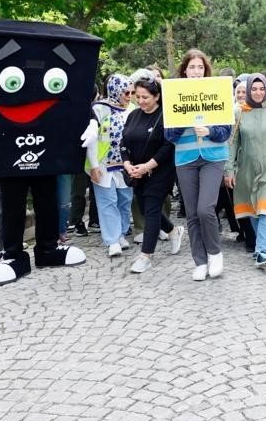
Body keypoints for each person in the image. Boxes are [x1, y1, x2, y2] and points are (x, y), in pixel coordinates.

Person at [166, 50, 231, 281]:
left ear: (206, 70)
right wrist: (183, 120)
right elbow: (169, 136)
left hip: (213, 157)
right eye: (192, 67)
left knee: (205, 209)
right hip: (185, 159)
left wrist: (210, 131)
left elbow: (226, 132)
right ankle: (200, 261)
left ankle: (214, 252)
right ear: (184, 70)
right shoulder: (174, 95)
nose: (196, 71)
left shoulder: (217, 92)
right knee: (192, 213)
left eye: (200, 67)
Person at [225, 74, 266, 268]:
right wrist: (229, 170)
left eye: (261, 88)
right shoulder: (239, 112)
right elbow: (232, 143)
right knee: (253, 210)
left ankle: (262, 251)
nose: (258, 92)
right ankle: (262, 247)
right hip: (247, 169)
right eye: (253, 89)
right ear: (247, 91)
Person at [121, 77, 184, 274]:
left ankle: (146, 256)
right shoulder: (133, 116)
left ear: (157, 96)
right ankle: (174, 231)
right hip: (137, 171)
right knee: (146, 208)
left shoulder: (166, 116)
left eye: (145, 97)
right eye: (136, 96)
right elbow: (124, 142)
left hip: (160, 171)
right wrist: (127, 164)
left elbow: (169, 145)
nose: (140, 101)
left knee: (152, 208)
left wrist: (148, 166)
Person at [85, 74, 134, 258]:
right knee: (107, 201)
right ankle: (112, 240)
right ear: (115, 91)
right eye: (125, 92)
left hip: (126, 164)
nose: (129, 96)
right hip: (103, 163)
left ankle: (121, 232)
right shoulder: (98, 109)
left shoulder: (132, 110)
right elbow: (93, 139)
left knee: (124, 199)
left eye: (132, 92)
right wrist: (94, 165)